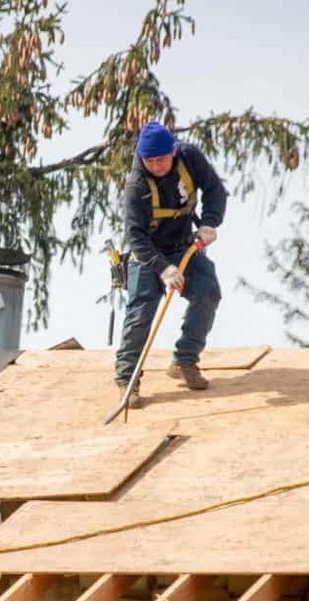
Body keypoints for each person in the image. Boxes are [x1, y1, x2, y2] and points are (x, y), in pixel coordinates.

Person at [114, 121, 228, 408]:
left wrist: (209, 223)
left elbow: (215, 190)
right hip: (148, 257)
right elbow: (135, 237)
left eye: (161, 159)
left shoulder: (190, 159)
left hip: (183, 247)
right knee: (140, 314)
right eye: (149, 161)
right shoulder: (136, 186)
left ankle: (185, 361)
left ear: (173, 152)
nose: (156, 165)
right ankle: (127, 380)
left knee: (208, 290)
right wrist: (163, 269)